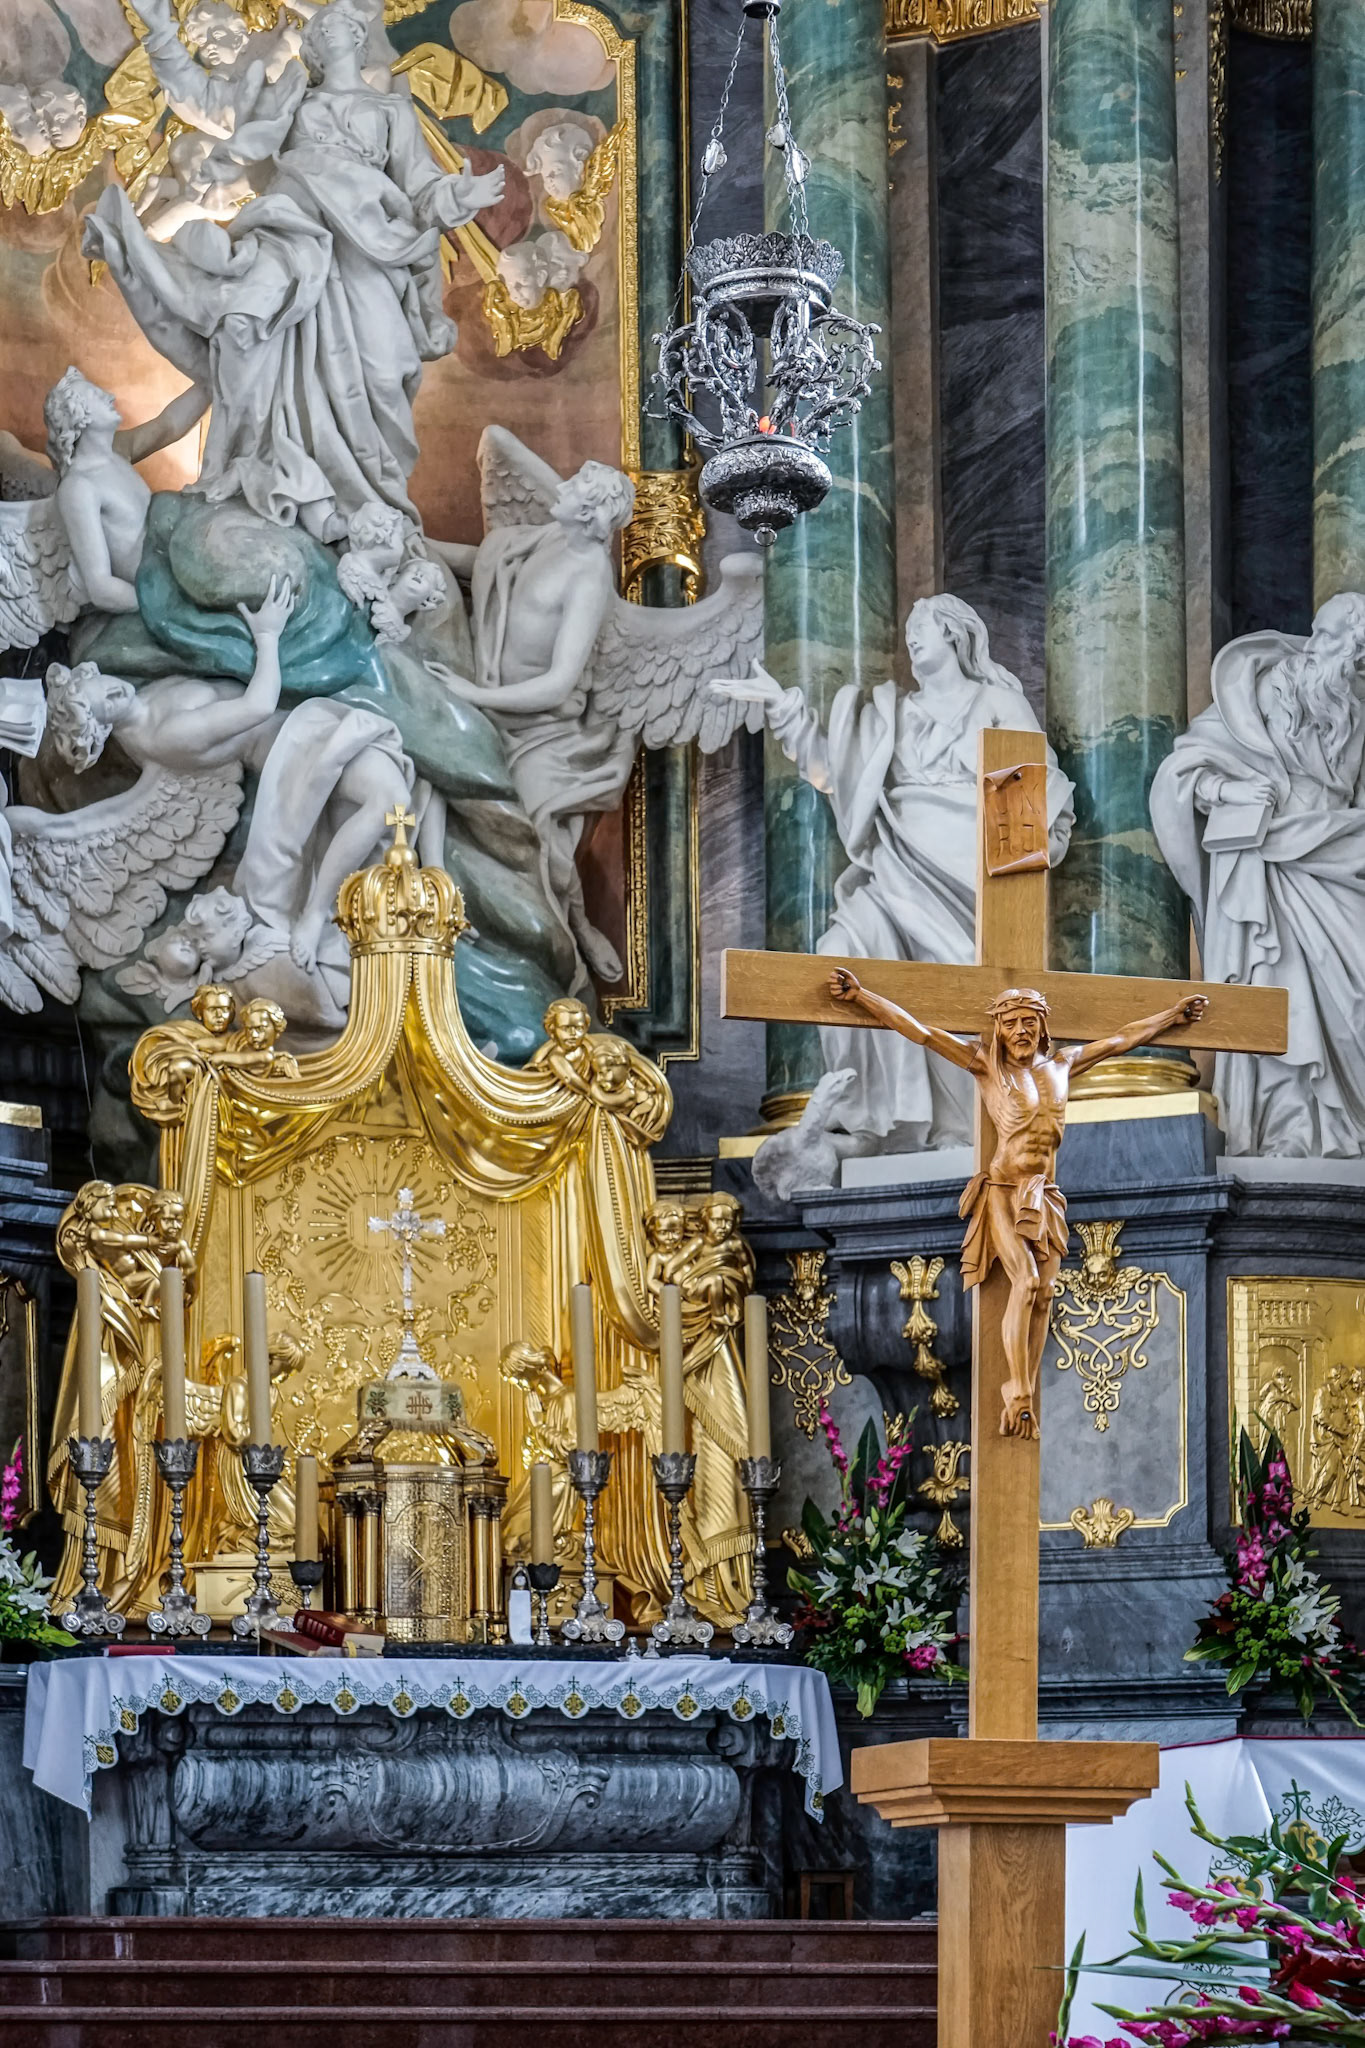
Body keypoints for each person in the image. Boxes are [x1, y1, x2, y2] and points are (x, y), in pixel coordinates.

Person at [83, 0, 505, 540]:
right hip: (290, 230)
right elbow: (209, 107)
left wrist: (459, 195)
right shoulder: (291, 95)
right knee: (246, 328)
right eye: (318, 26)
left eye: (339, 24)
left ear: (358, 36)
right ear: (311, 45)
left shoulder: (392, 111)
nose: (327, 30)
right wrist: (163, 32)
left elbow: (420, 188)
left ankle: (365, 511)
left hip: (367, 248)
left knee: (381, 367)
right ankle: (264, 477)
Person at [711, 595, 1074, 1158]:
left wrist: (1024, 855)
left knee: (962, 991)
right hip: (896, 868)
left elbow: (1037, 782)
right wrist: (784, 708)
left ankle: (962, 1128)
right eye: (907, 630)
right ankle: (881, 1119)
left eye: (922, 627)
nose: (912, 638)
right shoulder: (889, 712)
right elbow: (836, 772)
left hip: (972, 872)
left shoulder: (996, 701)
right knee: (842, 955)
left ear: (955, 634)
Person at [829, 969, 1208, 1439]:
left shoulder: (1063, 1065)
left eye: (1030, 1021)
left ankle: (1024, 1387)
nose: (1021, 1031)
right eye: (1011, 1023)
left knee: (1045, 1293)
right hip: (1004, 1194)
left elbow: (1120, 1040)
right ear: (998, 1030)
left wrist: (1173, 1017)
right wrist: (863, 995)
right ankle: (1018, 1388)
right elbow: (922, 1033)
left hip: (1044, 1196)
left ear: (1043, 1027)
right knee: (1026, 1283)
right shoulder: (987, 1067)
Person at [1151, 593, 1365, 1157]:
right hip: (1270, 869)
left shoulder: (1355, 703)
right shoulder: (1265, 688)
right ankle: (1288, 1128)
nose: (1341, 657)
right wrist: (1231, 789)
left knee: (1351, 1004)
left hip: (1341, 859)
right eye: (1335, 640)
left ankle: (1345, 1127)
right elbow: (1184, 769)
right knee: (1279, 989)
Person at [43, 366, 210, 615]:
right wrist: (162, 606)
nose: (110, 396)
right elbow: (100, 586)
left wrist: (213, 380)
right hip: (159, 583)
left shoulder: (117, 449)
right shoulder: (79, 488)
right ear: (80, 418)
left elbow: (167, 426)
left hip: (177, 556)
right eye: (98, 396)